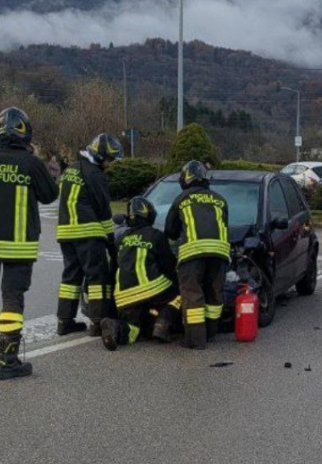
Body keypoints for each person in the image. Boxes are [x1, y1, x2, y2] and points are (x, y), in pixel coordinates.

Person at [0, 107, 59, 379]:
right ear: (25, 133)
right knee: (12, 301)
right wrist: (50, 172)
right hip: (18, 248)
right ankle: (8, 362)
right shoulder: (31, 164)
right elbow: (49, 196)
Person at [57, 132, 123, 337]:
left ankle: (64, 322)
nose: (111, 164)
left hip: (66, 232)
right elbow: (103, 211)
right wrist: (111, 243)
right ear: (100, 156)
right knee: (97, 278)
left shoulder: (71, 169)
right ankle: (98, 322)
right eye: (110, 159)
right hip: (88, 233)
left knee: (70, 277)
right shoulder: (95, 175)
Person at [165, 160, 230, 349]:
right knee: (214, 294)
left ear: (185, 179)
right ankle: (210, 333)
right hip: (219, 253)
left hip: (192, 253)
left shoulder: (181, 199)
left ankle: (195, 339)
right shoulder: (220, 200)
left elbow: (170, 231)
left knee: (192, 295)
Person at [101, 197, 180, 351]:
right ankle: (163, 322)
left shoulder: (121, 239)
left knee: (135, 330)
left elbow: (113, 270)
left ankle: (116, 327)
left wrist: (112, 305)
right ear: (149, 215)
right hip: (152, 289)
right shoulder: (156, 235)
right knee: (183, 292)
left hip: (124, 297)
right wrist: (178, 280)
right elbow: (168, 266)